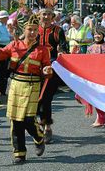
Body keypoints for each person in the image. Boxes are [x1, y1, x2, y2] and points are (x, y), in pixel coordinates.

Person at [0, 14, 52, 164]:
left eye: (36, 30)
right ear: (25, 29)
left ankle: (39, 137)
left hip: (33, 85)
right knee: (16, 120)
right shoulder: (14, 45)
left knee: (29, 120)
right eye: (30, 29)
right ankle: (19, 152)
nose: (33, 32)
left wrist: (47, 70)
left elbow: (46, 68)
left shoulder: (43, 50)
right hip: (16, 84)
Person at [37, 8, 68, 144]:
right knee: (37, 98)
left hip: (51, 68)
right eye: (44, 14)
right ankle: (39, 123)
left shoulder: (57, 30)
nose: (46, 16)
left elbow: (62, 46)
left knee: (46, 98)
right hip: (35, 68)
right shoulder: (33, 30)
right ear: (39, 16)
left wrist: (61, 52)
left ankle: (47, 127)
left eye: (49, 14)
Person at [75, 25, 105, 127]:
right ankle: (99, 116)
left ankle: (101, 118)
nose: (97, 36)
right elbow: (86, 63)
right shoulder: (90, 48)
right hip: (92, 75)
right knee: (80, 95)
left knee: (99, 97)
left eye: (99, 34)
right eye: (95, 34)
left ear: (103, 35)